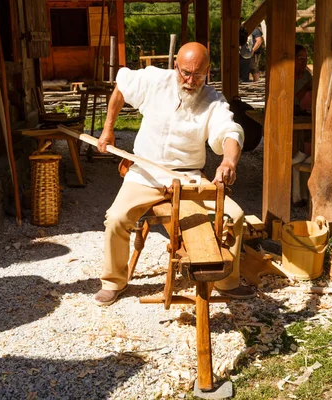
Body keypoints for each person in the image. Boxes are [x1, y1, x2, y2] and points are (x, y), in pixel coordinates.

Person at [93, 42, 256, 306]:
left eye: (198, 75)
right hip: (144, 171)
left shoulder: (213, 101)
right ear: (175, 66)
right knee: (116, 218)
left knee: (234, 215)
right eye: (185, 73)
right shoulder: (154, 80)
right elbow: (122, 85)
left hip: (188, 176)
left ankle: (227, 281)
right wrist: (108, 128)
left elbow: (230, 131)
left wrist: (228, 161)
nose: (190, 81)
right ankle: (114, 282)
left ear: (208, 72)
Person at [294, 44, 313, 115]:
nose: (304, 62)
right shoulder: (287, 76)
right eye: (301, 58)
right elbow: (294, 101)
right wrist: (306, 87)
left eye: (306, 58)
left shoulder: (307, 75)